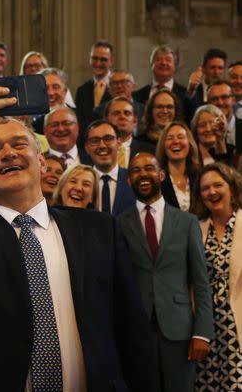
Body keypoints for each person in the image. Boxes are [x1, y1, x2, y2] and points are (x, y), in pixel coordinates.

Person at [0, 74, 157, 391]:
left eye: (18, 144)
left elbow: (132, 333)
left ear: (43, 164)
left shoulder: (98, 230)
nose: (8, 153)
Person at [118, 152, 213, 391]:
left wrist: (202, 332)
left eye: (148, 168)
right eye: (136, 171)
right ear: (129, 181)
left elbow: (200, 281)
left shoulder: (187, 222)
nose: (143, 174)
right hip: (137, 331)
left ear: (161, 174)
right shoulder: (118, 223)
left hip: (180, 330)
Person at [192, 162, 242, 391]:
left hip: (237, 324)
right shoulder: (196, 228)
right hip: (206, 326)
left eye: (218, 185)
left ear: (231, 188)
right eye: (205, 188)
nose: (212, 192)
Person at [84, 120, 136, 215]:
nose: (102, 145)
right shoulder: (80, 182)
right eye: (95, 141)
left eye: (108, 139)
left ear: (119, 143)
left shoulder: (134, 179)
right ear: (87, 148)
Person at [155, 122, 200, 211]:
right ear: (163, 145)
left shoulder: (200, 177)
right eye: (170, 138)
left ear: (189, 143)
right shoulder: (157, 180)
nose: (176, 141)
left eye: (181, 137)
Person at [75, 40, 113, 124]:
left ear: (111, 61)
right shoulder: (82, 90)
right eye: (94, 58)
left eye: (103, 59)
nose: (98, 63)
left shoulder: (118, 87)